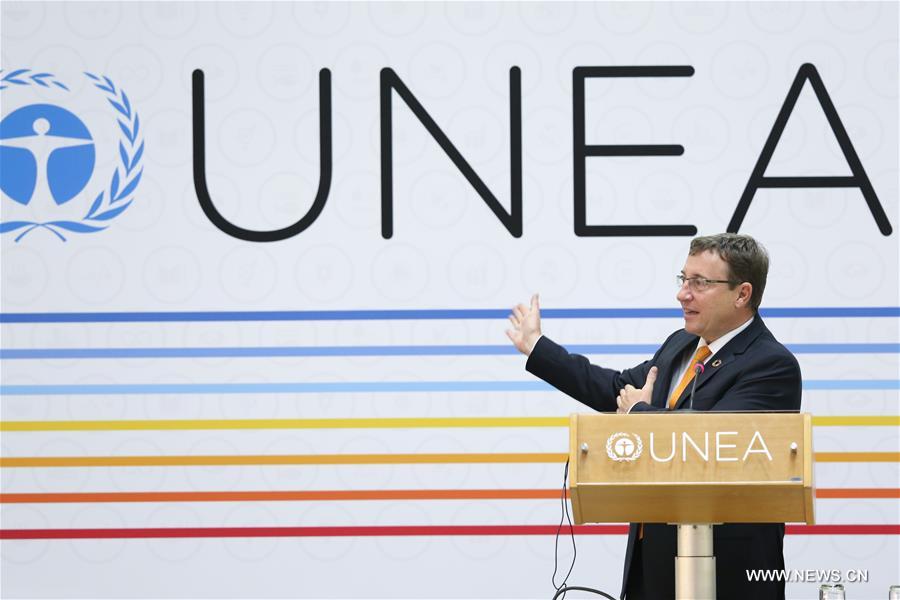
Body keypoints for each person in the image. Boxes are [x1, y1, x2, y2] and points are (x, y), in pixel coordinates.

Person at [506, 233, 801, 600]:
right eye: (683, 279)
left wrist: (641, 414)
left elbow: (718, 447)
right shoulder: (681, 343)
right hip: (654, 562)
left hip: (727, 570)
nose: (683, 293)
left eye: (700, 283)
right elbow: (616, 388)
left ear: (742, 294)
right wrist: (537, 347)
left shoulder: (771, 365)